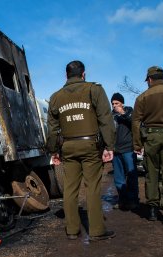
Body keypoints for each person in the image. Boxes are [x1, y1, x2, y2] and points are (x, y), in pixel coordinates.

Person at [46, 60, 116, 241]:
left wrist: (53, 151)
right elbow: (105, 119)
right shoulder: (94, 90)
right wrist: (109, 146)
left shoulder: (55, 97)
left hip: (67, 147)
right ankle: (96, 231)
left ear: (66, 75)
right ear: (83, 74)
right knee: (92, 186)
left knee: (70, 188)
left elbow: (52, 129)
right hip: (90, 145)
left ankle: (71, 230)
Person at [132, 66, 163, 225]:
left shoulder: (143, 97)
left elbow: (135, 122)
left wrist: (137, 144)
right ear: (162, 77)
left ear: (150, 80)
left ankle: (152, 210)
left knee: (151, 173)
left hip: (151, 137)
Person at [110, 92, 139, 210]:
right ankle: (122, 200)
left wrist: (122, 113)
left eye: (116, 103)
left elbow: (135, 123)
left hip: (128, 149)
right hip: (116, 151)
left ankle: (133, 200)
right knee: (118, 178)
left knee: (131, 176)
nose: (114, 105)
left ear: (122, 103)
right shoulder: (110, 115)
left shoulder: (129, 111)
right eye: (112, 103)